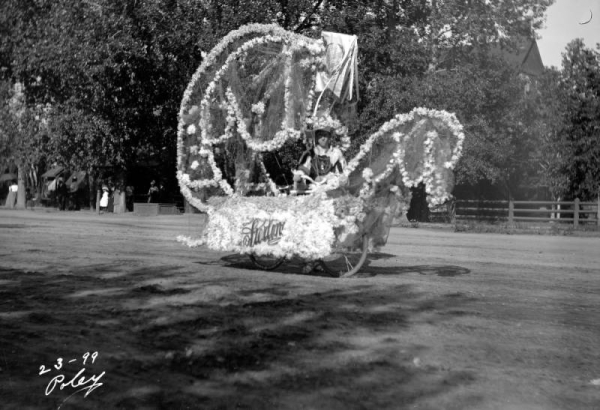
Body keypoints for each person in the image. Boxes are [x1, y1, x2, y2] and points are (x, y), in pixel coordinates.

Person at [293, 126, 347, 192]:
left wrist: (327, 179)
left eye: (325, 135)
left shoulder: (336, 153)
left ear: (329, 136)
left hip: (332, 189)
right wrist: (298, 175)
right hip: (313, 190)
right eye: (320, 136)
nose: (323, 138)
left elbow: (342, 173)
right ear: (316, 138)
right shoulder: (309, 154)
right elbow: (302, 168)